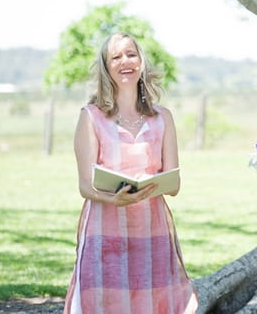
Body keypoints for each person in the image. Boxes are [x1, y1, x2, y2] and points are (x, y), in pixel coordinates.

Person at [63, 33, 198, 314]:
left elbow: (173, 183)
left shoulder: (163, 118)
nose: (125, 61)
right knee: (106, 303)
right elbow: (85, 186)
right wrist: (115, 200)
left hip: (152, 226)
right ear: (106, 67)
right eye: (116, 56)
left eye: (131, 54)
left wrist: (158, 184)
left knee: (150, 301)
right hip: (105, 226)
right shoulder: (91, 117)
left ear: (141, 62)